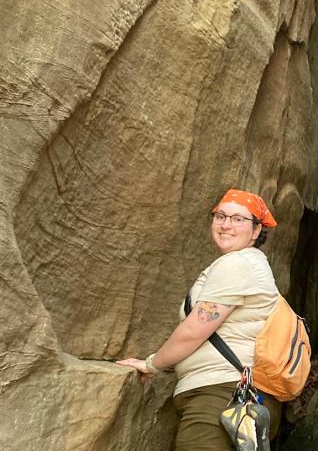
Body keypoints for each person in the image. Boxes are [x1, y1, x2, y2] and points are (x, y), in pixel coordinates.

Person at [118, 188, 282, 450]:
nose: (226, 224)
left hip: (221, 395)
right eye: (220, 216)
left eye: (238, 219)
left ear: (255, 231)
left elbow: (195, 330)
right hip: (229, 395)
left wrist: (151, 365)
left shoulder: (238, 264)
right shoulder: (245, 264)